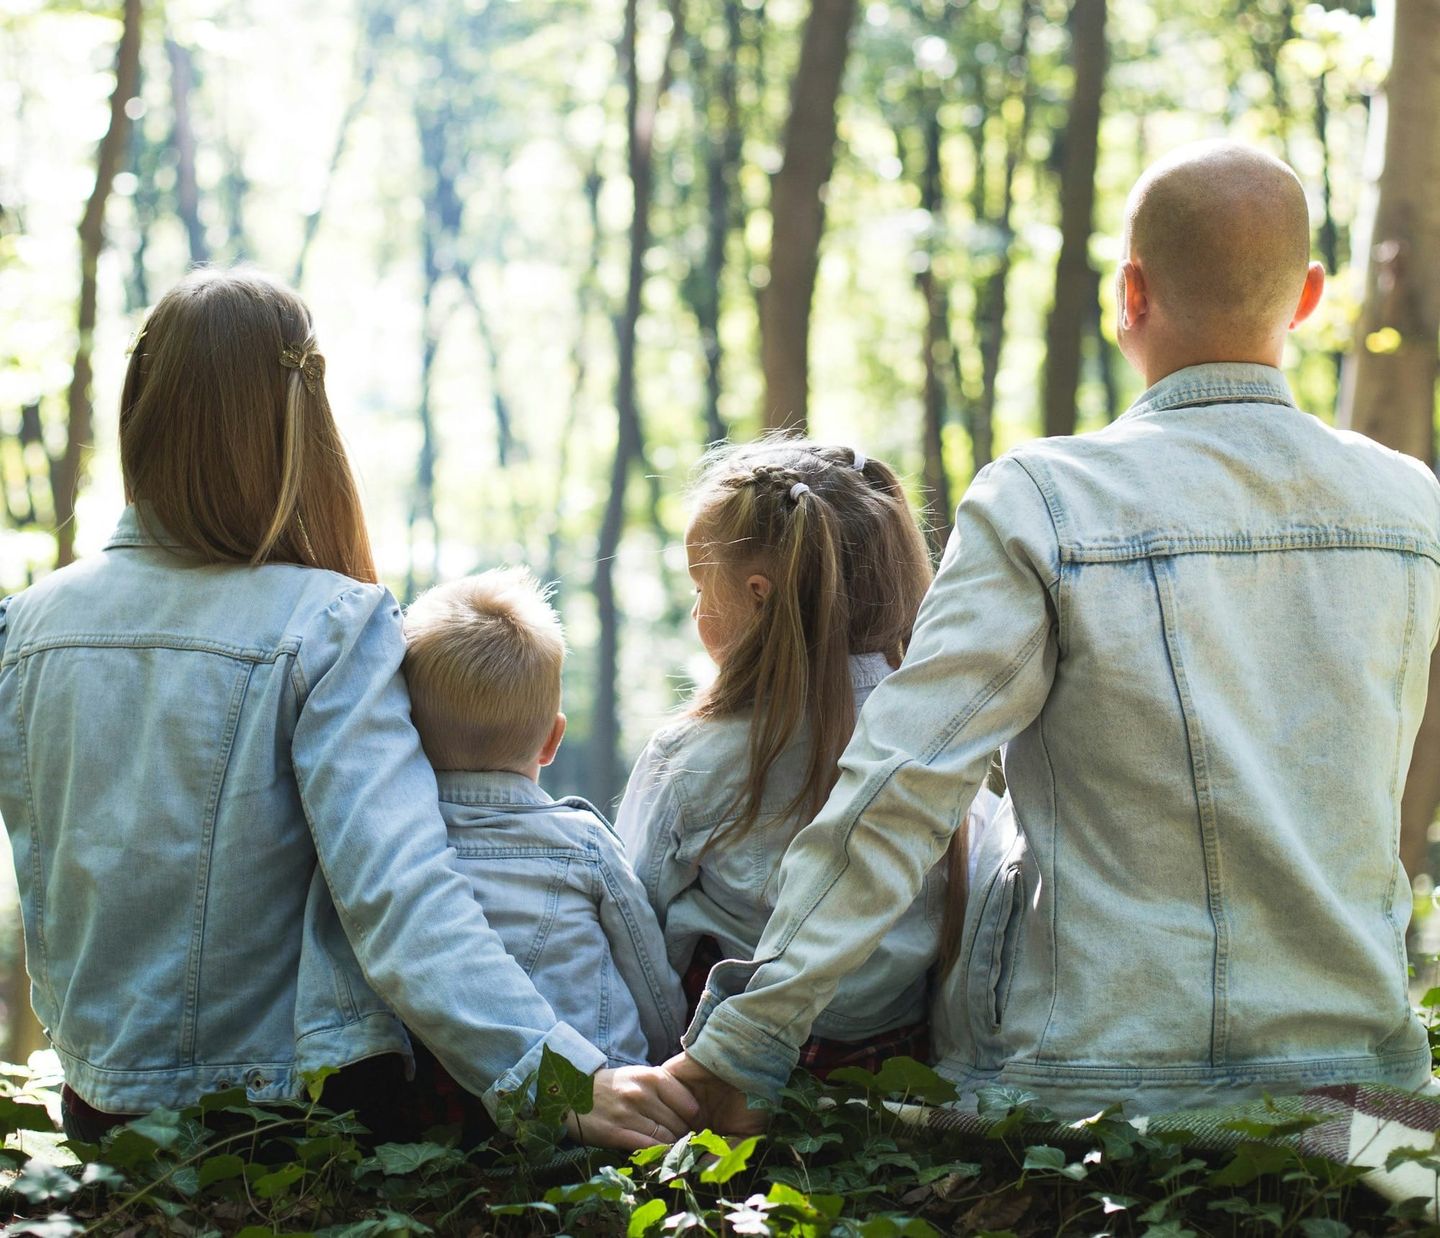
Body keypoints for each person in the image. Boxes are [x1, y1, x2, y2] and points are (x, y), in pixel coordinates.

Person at [665, 141, 1440, 1129]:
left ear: (1129, 293)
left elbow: (903, 783)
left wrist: (746, 1041)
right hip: (1362, 1092)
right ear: (1309, 298)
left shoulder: (1046, 500)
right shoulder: (1412, 508)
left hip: (1088, 1089)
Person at [0, 267, 696, 1149]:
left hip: (101, 1111)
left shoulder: (24, 624)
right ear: (300, 423)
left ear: (141, 407)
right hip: (285, 1119)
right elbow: (400, 895)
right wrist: (558, 1080)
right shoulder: (329, 622)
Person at [618, 439, 999, 1076]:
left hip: (718, 1071)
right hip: (894, 1070)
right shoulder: (944, 747)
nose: (694, 611)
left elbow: (635, 926)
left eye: (700, 587)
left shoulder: (689, 758)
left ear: (758, 595)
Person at [399, 567, 685, 1076]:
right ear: (553, 741)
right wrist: (666, 1059)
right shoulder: (584, 843)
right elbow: (651, 981)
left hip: (448, 1105)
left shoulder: (394, 846)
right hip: (599, 1090)